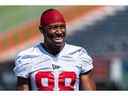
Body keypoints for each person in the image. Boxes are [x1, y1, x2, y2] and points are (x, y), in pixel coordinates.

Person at [13, 8, 96, 91]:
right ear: (42, 30)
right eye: (53, 28)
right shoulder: (27, 57)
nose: (59, 32)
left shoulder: (79, 54)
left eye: (62, 27)